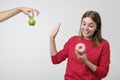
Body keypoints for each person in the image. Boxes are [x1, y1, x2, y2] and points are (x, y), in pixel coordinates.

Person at [50, 11, 110, 80]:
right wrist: (52, 38)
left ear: (97, 27)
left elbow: (103, 73)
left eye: (90, 26)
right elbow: (56, 60)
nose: (86, 28)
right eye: (84, 24)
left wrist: (86, 61)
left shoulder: (103, 44)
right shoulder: (73, 40)